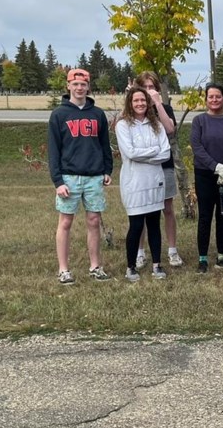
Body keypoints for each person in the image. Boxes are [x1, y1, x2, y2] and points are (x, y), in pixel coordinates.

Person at [47, 68, 114, 284]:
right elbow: (53, 150)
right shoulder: (59, 114)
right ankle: (63, 269)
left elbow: (105, 144)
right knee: (65, 222)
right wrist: (58, 181)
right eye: (75, 84)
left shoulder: (97, 114)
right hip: (68, 177)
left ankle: (95, 266)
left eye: (83, 84)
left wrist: (107, 169)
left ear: (88, 86)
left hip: (94, 176)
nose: (79, 88)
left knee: (94, 221)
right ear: (68, 86)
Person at [115, 86, 172, 282]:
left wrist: (144, 154)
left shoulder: (156, 124)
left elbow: (166, 153)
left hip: (154, 181)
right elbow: (129, 153)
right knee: (136, 225)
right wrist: (153, 150)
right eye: (135, 100)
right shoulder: (123, 125)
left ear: (148, 103)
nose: (140, 104)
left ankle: (157, 264)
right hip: (134, 183)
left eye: (143, 100)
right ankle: (131, 267)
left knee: (154, 224)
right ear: (130, 103)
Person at [131, 71, 183, 269]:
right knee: (142, 211)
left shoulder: (165, 108)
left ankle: (172, 250)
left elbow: (170, 129)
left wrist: (158, 104)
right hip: (142, 168)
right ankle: (140, 252)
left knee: (167, 209)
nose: (148, 91)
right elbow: (119, 125)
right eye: (144, 87)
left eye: (151, 87)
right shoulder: (135, 111)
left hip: (164, 166)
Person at [190, 83, 223, 274]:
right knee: (205, 216)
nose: (214, 100)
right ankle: (202, 258)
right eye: (210, 97)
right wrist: (215, 166)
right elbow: (197, 147)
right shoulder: (199, 121)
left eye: (218, 96)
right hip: (205, 174)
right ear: (206, 99)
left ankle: (221, 256)